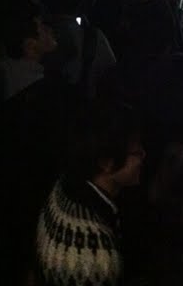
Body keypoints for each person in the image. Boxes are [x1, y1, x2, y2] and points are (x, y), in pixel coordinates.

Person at [36, 99, 145, 286]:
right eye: (137, 152)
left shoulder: (65, 183)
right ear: (106, 163)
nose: (144, 154)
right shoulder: (99, 258)